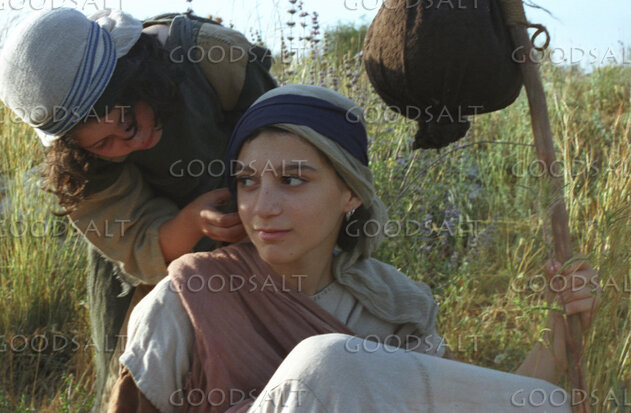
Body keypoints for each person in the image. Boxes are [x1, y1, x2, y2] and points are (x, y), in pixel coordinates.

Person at [106, 85, 600, 412]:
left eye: (292, 181)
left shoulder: (394, 305)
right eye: (247, 182)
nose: (262, 207)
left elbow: (497, 404)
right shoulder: (189, 296)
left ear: (351, 194)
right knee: (326, 365)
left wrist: (560, 325)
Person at [0, 7, 276, 410]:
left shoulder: (211, 58)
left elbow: (292, 146)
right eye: (103, 145)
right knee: (141, 377)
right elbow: (136, 240)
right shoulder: (82, 173)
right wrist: (191, 223)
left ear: (138, 77)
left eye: (127, 122)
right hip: (147, 270)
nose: (129, 143)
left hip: (272, 237)